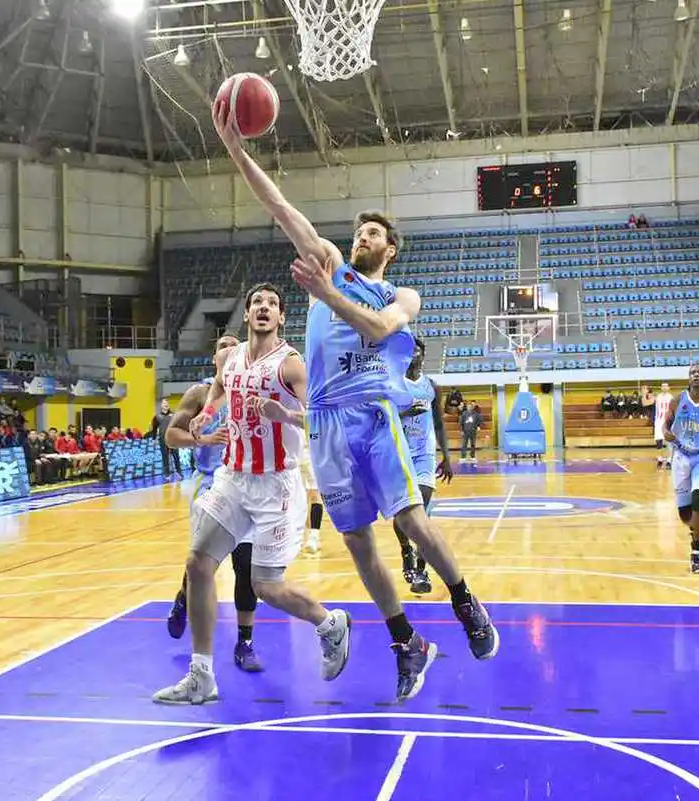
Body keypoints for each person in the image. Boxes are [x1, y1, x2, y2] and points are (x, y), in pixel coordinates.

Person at [212, 98, 498, 703]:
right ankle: (406, 643)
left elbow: (377, 329)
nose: (361, 237)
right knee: (359, 542)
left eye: (373, 233)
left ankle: (465, 601)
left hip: (372, 414)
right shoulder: (330, 264)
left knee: (409, 519)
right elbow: (279, 206)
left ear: (389, 248)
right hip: (326, 428)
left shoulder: (402, 294)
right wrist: (238, 151)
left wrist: (326, 295)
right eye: (359, 231)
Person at [153, 283, 351, 705]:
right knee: (198, 563)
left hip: (276, 483)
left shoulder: (291, 365)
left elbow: (323, 416)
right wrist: (207, 413)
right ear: (247, 315)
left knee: (265, 585)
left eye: (272, 304)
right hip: (233, 476)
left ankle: (329, 623)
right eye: (257, 303)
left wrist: (286, 415)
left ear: (281, 318)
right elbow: (221, 388)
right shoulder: (229, 357)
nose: (264, 308)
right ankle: (201, 675)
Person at [163, 334, 264, 673]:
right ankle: (184, 596)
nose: (227, 349)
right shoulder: (198, 393)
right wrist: (205, 438)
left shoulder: (252, 389)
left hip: (247, 487)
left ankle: (245, 641)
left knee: (246, 567)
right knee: (203, 564)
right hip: (210, 485)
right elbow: (171, 436)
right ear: (213, 358)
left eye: (234, 345)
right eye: (221, 344)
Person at [396, 338, 453, 594]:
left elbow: (439, 423)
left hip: (424, 457)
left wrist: (447, 457)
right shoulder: (393, 384)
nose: (413, 354)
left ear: (423, 355)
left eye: (416, 350)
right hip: (398, 455)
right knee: (402, 515)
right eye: (408, 351)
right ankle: (406, 549)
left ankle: (421, 570)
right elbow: (382, 416)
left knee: (421, 514)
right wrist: (405, 412)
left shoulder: (431, 386)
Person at [662, 364, 699, 575]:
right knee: (685, 513)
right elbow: (666, 423)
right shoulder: (678, 400)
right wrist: (665, 432)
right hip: (680, 456)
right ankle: (695, 528)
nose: (695, 375)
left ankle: (697, 551)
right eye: (692, 373)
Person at [653, 382, 674, 467]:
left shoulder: (671, 397)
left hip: (667, 421)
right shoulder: (657, 397)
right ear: (661, 388)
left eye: (666, 386)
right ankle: (660, 459)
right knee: (658, 442)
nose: (664, 387)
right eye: (663, 386)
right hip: (658, 421)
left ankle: (669, 461)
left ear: (668, 388)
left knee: (669, 442)